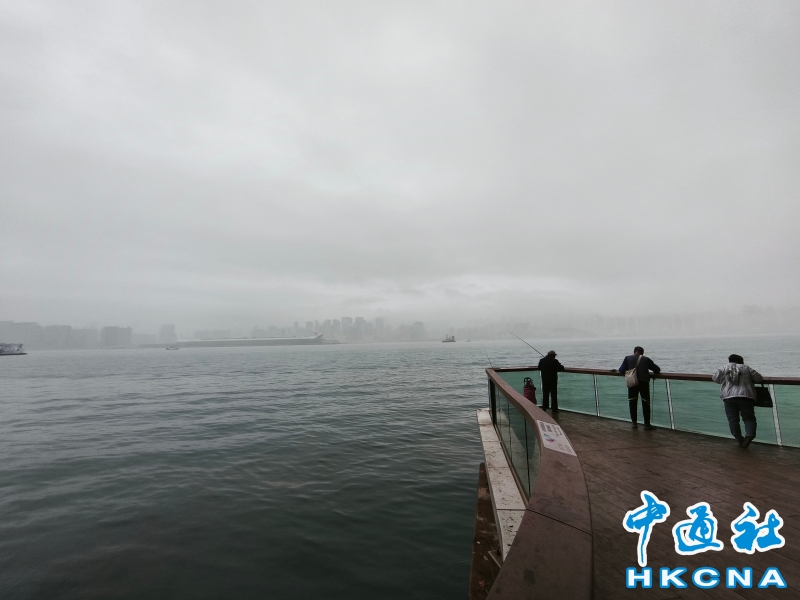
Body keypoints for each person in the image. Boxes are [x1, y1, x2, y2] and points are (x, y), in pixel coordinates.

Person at [712, 354, 763, 448]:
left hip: (728, 397)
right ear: (741, 361)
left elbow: (715, 379)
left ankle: (739, 439)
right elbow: (759, 378)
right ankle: (749, 435)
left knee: (733, 420)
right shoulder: (746, 368)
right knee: (749, 418)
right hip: (746, 396)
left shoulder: (723, 369)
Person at [619, 346, 661, 430]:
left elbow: (621, 370)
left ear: (634, 351)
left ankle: (634, 423)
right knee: (646, 403)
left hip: (632, 383)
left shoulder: (627, 358)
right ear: (642, 353)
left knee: (632, 402)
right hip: (644, 384)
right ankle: (647, 424)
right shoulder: (646, 359)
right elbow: (657, 369)